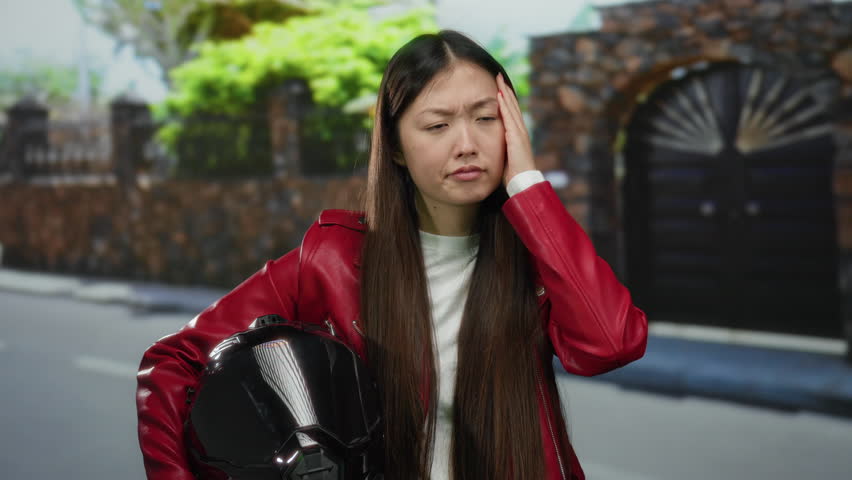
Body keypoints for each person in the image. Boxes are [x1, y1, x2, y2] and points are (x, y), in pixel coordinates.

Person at [136, 29, 648, 480]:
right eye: (437, 125)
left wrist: (529, 186)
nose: (466, 143)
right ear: (398, 147)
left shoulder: (539, 256)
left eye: (486, 118)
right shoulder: (333, 259)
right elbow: (171, 364)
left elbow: (611, 343)